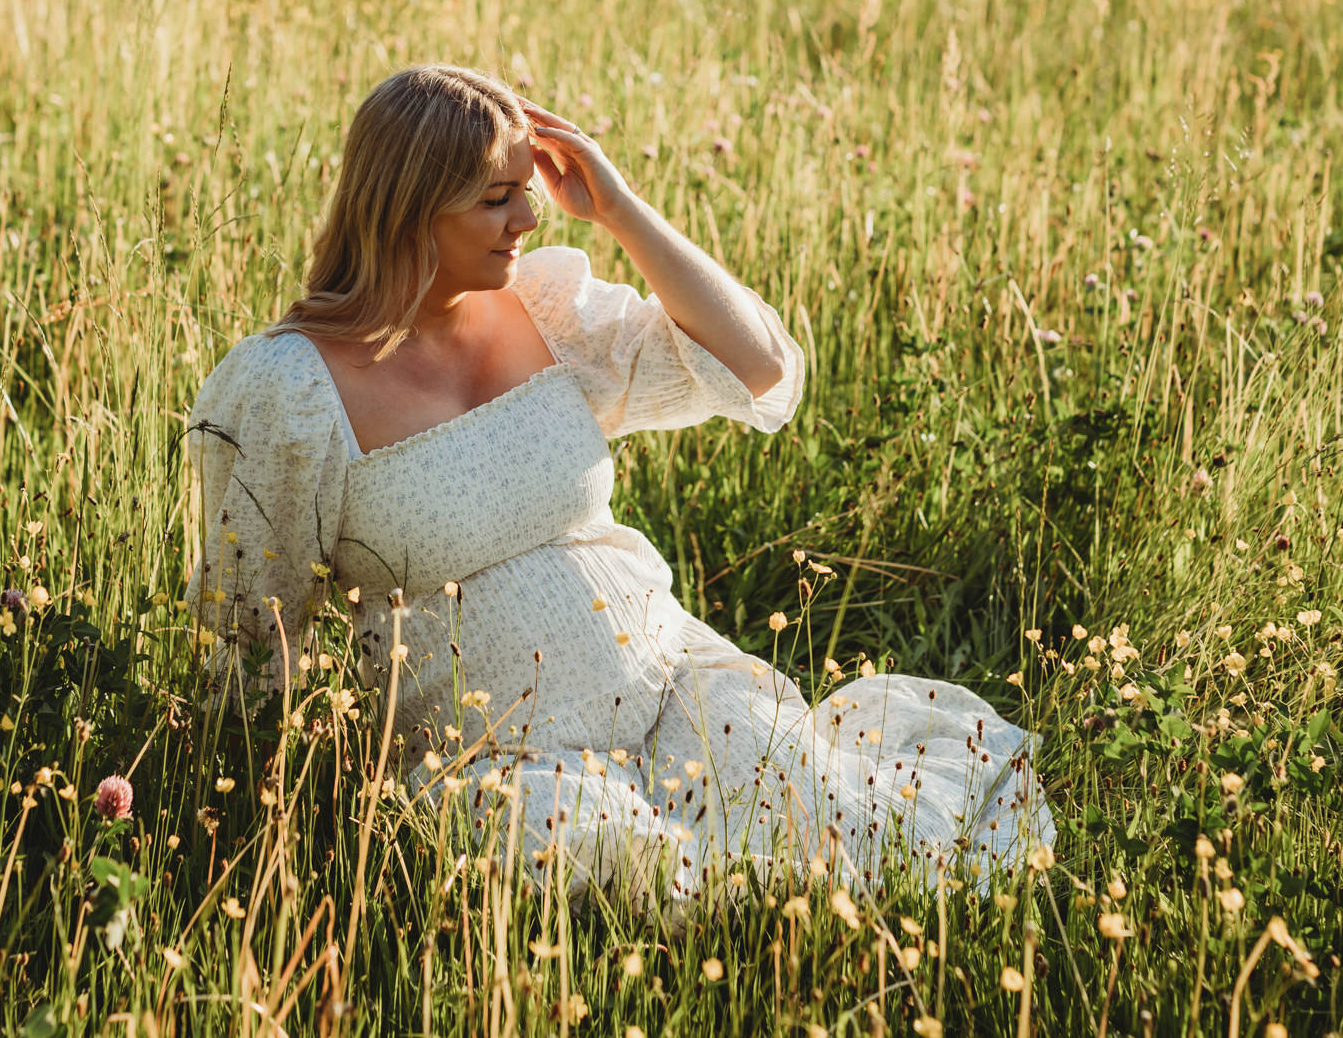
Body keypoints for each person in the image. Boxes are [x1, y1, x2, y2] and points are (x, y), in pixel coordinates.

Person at [187, 63, 1049, 907]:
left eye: (525, 189)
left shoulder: (546, 311)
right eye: (495, 197)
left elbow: (757, 368)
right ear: (409, 203)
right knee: (612, 862)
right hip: (509, 762)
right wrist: (272, 818)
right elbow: (247, 628)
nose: (526, 216)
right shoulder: (290, 389)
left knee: (848, 836)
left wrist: (618, 204)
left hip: (673, 686)